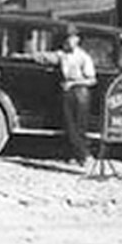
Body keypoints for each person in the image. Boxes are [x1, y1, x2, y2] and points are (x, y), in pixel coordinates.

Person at [37, 23, 97, 170]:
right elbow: (50, 57)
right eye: (66, 39)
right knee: (69, 124)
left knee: (80, 125)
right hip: (66, 92)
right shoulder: (62, 55)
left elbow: (92, 79)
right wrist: (34, 55)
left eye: (71, 39)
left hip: (80, 92)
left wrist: (74, 83)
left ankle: (84, 155)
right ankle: (76, 154)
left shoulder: (84, 57)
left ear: (77, 40)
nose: (68, 42)